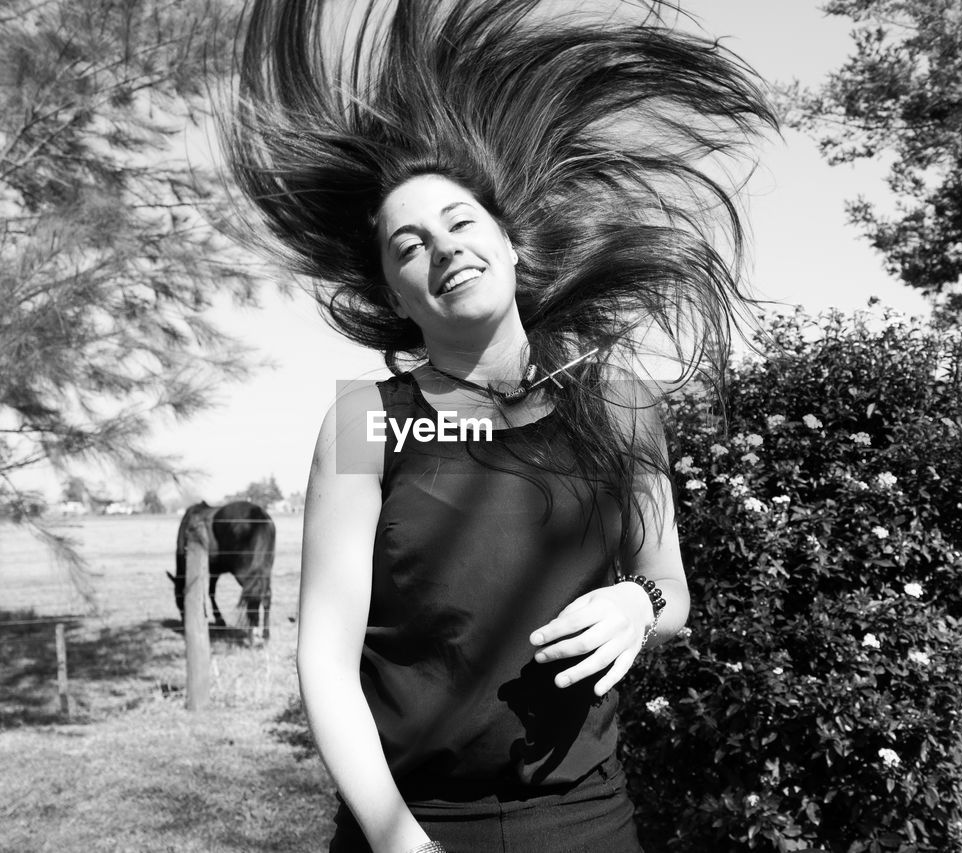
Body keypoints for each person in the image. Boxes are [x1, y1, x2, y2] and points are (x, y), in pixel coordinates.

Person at [223, 1, 775, 850]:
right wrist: (395, 835)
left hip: (587, 820)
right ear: (393, 296)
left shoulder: (619, 401)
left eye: (460, 224)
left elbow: (671, 590)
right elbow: (325, 661)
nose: (441, 250)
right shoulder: (364, 420)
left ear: (513, 244)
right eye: (408, 248)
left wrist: (639, 599)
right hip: (415, 824)